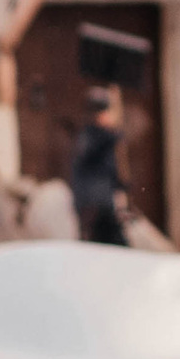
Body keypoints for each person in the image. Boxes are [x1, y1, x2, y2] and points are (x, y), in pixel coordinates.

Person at [68, 78, 131, 248]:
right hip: (93, 205)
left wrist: (121, 187)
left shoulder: (105, 137)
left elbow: (112, 169)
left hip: (105, 202)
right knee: (102, 247)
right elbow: (90, 156)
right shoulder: (91, 137)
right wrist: (114, 133)